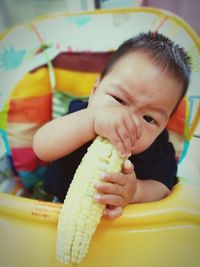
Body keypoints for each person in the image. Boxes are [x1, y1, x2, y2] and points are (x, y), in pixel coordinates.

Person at [33, 31, 191, 219]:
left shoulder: (159, 148)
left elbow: (164, 188)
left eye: (149, 118)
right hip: (58, 207)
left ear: (164, 125)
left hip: (122, 224)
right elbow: (42, 146)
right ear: (94, 91)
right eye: (119, 99)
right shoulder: (80, 115)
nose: (128, 120)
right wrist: (92, 121)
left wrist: (136, 192)